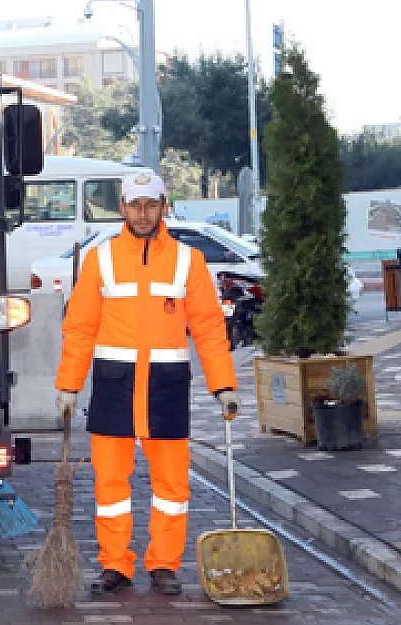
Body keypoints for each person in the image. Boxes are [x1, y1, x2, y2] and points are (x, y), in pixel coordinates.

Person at [55, 171, 240, 596]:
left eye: (150, 204)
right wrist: (69, 384)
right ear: (122, 208)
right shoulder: (100, 259)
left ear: (164, 206)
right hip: (114, 386)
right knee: (110, 484)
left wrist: (223, 385)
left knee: (172, 485)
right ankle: (116, 564)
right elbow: (80, 327)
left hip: (166, 388)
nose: (142, 213)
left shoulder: (187, 260)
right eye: (135, 205)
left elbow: (209, 327)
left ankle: (164, 564)